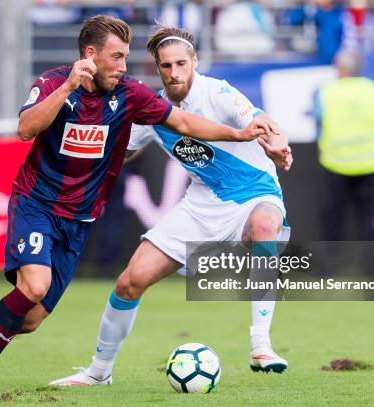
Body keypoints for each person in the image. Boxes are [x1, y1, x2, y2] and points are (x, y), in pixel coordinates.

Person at [0, 15, 287, 394]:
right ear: (91, 55)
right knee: (62, 286)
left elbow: (194, 124)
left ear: (195, 63)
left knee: (29, 318)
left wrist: (257, 138)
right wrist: (73, 91)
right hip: (41, 202)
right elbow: (29, 130)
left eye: (179, 63)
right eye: (118, 57)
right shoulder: (58, 83)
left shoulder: (156, 95)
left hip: (94, 215)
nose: (124, 66)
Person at [49, 25, 293, 387]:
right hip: (201, 203)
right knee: (130, 282)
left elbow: (264, 122)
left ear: (194, 61)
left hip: (254, 192)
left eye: (181, 63)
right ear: (157, 68)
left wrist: (279, 145)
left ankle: (261, 345)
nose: (175, 72)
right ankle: (99, 372)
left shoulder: (219, 92)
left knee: (264, 229)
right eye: (166, 66)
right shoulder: (153, 107)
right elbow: (122, 152)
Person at [315, 49, 374, 241]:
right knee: (368, 218)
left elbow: (319, 121)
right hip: (369, 162)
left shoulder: (328, 91)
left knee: (333, 218)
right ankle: (373, 266)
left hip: (335, 162)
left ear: (340, 68)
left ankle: (331, 266)